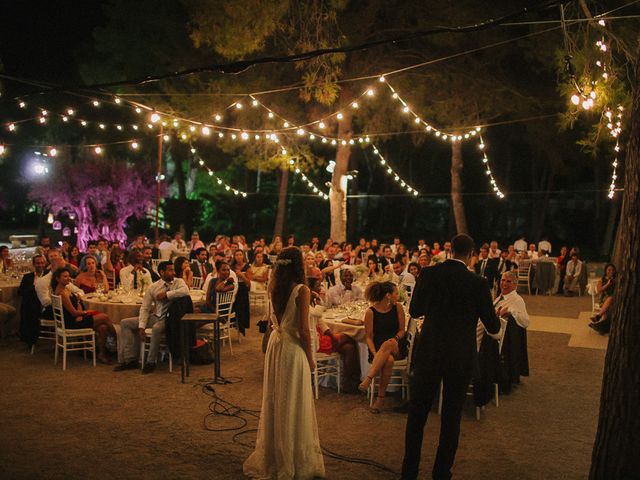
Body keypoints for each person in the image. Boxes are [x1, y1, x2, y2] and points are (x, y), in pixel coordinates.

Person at [401, 234, 501, 480]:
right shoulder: (478, 282)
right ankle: (441, 473)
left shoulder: (429, 274)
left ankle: (409, 472)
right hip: (460, 355)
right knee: (451, 418)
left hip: (430, 351)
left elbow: (415, 310)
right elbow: (493, 326)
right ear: (471, 254)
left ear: (450, 250)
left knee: (417, 414)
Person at [243, 246, 325, 479]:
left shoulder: (274, 287)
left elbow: (271, 323)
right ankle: (291, 460)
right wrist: (310, 359)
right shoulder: (302, 290)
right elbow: (304, 331)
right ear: (299, 264)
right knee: (293, 401)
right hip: (291, 349)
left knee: (276, 399)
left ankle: (275, 457)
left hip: (276, 346)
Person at [114, 261, 189, 373]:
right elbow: (145, 308)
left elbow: (185, 291)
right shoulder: (153, 287)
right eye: (170, 270)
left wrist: (167, 294)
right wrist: (141, 326)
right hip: (156, 316)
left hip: (169, 319)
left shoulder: (178, 282)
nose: (173, 272)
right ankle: (131, 360)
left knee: (156, 328)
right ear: (162, 272)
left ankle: (151, 362)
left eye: (173, 270)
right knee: (125, 323)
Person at [358, 281, 407, 414]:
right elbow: (368, 336)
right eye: (396, 293)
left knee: (388, 343)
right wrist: (374, 352)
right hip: (378, 348)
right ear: (388, 295)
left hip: (397, 344)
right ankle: (380, 399)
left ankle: (368, 378)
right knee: (388, 360)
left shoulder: (398, 308)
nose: (398, 296)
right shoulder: (371, 312)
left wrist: (395, 339)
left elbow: (402, 330)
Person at [52, 267, 115, 364]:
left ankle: (102, 354)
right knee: (104, 317)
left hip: (77, 319)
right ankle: (116, 339)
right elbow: (73, 313)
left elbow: (77, 305)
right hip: (72, 324)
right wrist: (88, 312)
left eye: (68, 276)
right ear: (57, 279)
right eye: (65, 277)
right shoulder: (61, 293)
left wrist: (79, 307)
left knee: (103, 327)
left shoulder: (66, 289)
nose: (68, 278)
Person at [18, 254, 47, 348]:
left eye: (42, 263)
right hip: (32, 302)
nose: (40, 265)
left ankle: (32, 336)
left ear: (45, 264)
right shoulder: (28, 277)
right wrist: (33, 287)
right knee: (28, 305)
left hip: (46, 303)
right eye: (38, 263)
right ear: (34, 264)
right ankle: (29, 338)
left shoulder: (48, 276)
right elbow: (20, 292)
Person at [589, 263, 617, 334]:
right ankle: (600, 319)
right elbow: (599, 290)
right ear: (605, 271)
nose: (611, 271)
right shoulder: (601, 280)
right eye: (609, 270)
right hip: (605, 299)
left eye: (612, 270)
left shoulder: (617, 279)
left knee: (611, 304)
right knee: (610, 299)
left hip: (615, 300)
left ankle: (600, 323)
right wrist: (607, 284)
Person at [230, 250, 251, 335]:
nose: (239, 256)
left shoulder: (247, 267)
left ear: (243, 256)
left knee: (242, 308)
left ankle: (241, 327)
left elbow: (249, 284)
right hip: (233, 288)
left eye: (240, 255)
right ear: (234, 257)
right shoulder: (231, 267)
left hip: (242, 289)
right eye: (237, 255)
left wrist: (242, 276)